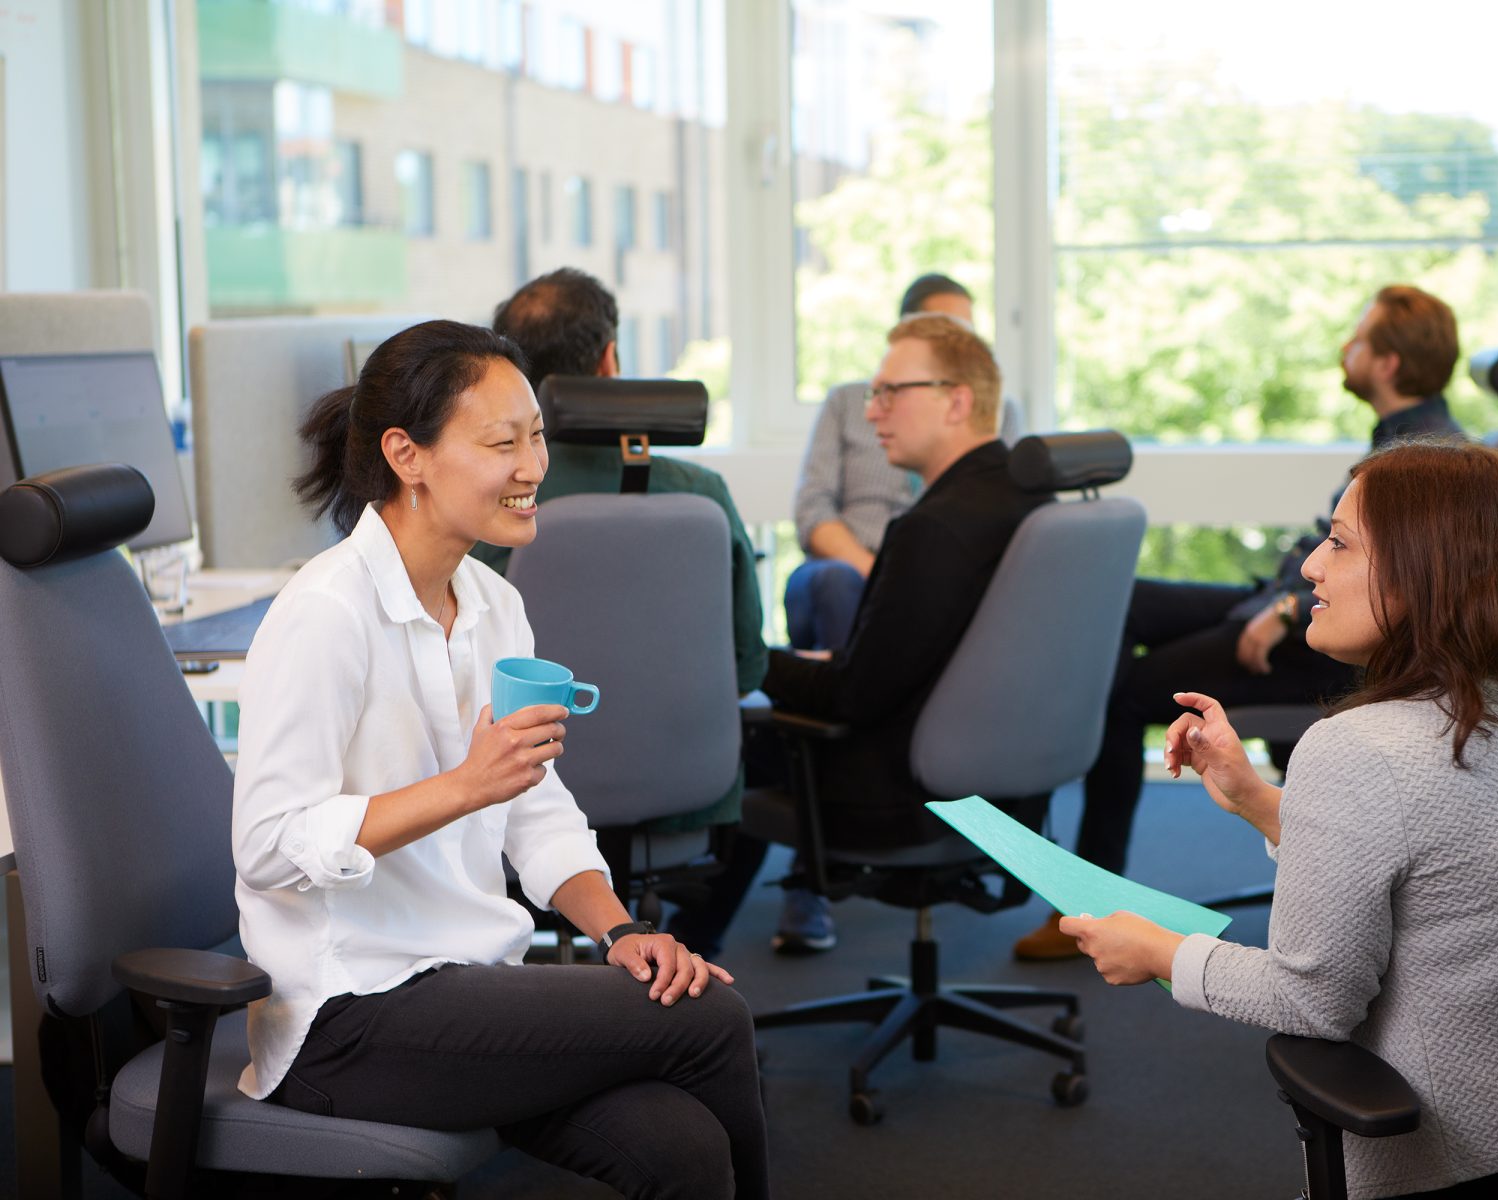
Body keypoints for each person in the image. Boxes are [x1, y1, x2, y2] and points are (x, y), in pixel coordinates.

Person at [234, 319, 769, 1199]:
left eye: (537, 437)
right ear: (407, 455)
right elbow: (265, 845)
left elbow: (534, 806)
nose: (533, 468)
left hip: (472, 982)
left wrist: (623, 932)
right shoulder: (326, 613)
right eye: (502, 442)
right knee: (710, 1018)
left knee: (682, 1148)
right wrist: (461, 788)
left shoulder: (488, 601)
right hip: (350, 1013)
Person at [1061, 440, 1498, 1200]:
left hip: (1467, 1166)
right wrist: (1257, 798)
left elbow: (1308, 1001)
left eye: (1340, 543)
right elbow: (1443, 865)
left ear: (1424, 574)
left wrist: (1158, 951)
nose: (1312, 566)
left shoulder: (1362, 747)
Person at [1014, 283, 1468, 960]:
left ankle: (1088, 896)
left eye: (1358, 338)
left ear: (1388, 365)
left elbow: (1388, 593)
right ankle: (1041, 775)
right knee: (1121, 596)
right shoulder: (1410, 441)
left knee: (1128, 688)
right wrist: (1278, 599)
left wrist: (1284, 610)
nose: (1345, 347)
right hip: (1284, 607)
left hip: (1317, 643)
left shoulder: (1420, 459)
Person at [670, 313, 1049, 956]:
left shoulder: (936, 528)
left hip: (903, 794)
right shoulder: (1024, 501)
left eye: (890, 393)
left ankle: (675, 970)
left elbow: (852, 697)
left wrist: (751, 659)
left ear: (957, 401)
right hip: (1001, 781)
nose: (873, 413)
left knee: (728, 740)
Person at [477, 266, 767, 701]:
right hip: (693, 763)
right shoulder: (702, 495)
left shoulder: (490, 503)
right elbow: (746, 669)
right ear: (608, 360)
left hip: (529, 758)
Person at [785, 272, 1022, 651]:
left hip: (938, 568)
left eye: (968, 331)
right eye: (949, 328)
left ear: (959, 404)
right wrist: (877, 573)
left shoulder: (998, 416)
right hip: (851, 565)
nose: (875, 413)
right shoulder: (846, 402)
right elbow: (813, 507)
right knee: (835, 582)